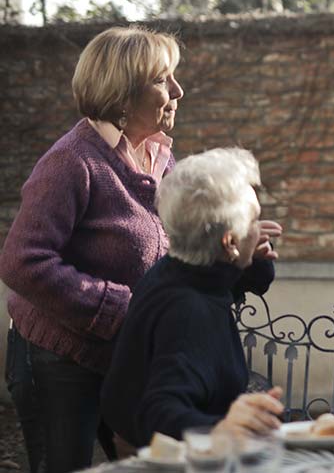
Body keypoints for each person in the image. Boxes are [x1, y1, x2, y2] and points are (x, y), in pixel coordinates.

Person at [0, 26, 280, 473]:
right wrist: (118, 308)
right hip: (58, 360)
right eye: (163, 79)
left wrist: (240, 252)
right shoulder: (72, 161)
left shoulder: (160, 157)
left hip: (123, 353)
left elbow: (169, 250)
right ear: (123, 95)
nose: (178, 90)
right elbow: (21, 260)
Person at [101, 148, 283, 446]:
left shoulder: (182, 269)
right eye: (254, 221)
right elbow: (159, 414)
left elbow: (229, 281)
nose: (260, 230)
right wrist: (222, 428)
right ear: (229, 242)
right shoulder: (187, 311)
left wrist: (250, 255)